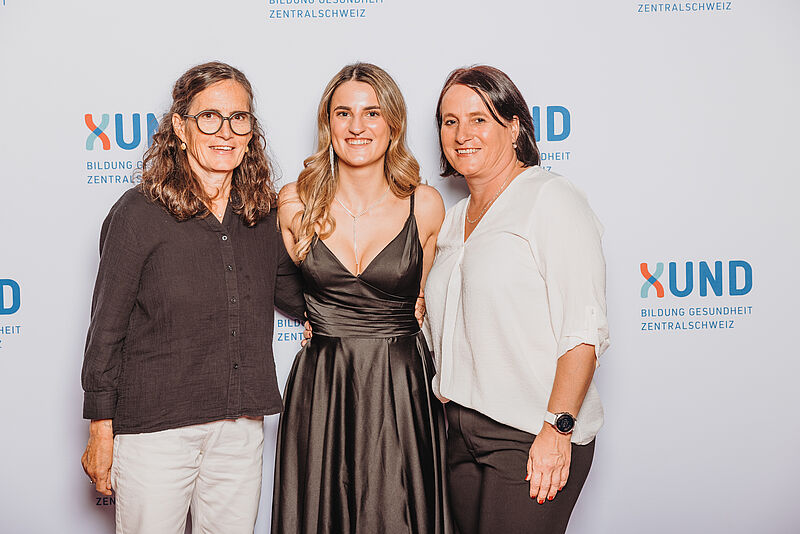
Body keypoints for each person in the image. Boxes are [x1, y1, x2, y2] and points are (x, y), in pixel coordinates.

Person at [80, 61, 306, 534]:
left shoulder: (261, 216)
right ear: (181, 128)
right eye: (209, 117)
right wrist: (101, 429)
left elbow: (299, 294)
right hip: (156, 432)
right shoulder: (138, 213)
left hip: (239, 430)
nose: (225, 131)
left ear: (251, 131)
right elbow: (106, 329)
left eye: (238, 118)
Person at [424, 65, 610, 534]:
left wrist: (557, 428)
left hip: (530, 433)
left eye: (479, 119)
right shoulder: (454, 219)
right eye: (450, 121)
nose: (462, 134)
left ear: (513, 127)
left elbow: (583, 331)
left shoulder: (551, 198)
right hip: (460, 433)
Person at [272, 62, 452, 534]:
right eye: (343, 113)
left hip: (401, 384)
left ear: (393, 124)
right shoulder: (293, 203)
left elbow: (429, 302)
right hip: (322, 385)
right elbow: (269, 280)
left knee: (397, 511)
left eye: (372, 113)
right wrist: (313, 315)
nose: (357, 126)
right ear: (327, 124)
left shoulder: (425, 205)